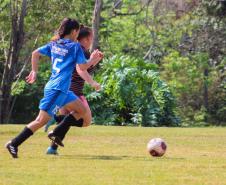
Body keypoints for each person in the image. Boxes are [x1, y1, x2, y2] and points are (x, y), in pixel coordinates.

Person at [5, 18, 103, 158]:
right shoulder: (74, 47)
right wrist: (93, 60)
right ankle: (14, 143)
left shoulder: (54, 43)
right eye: (77, 32)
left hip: (62, 90)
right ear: (74, 31)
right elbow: (82, 67)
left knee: (81, 110)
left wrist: (34, 71)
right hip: (57, 90)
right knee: (40, 121)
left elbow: (35, 53)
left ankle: (56, 132)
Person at [46, 26, 101, 155]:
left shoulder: (73, 49)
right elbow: (80, 70)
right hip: (74, 92)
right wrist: (92, 82)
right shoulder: (81, 51)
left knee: (67, 121)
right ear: (87, 39)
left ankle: (52, 149)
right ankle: (57, 120)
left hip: (63, 91)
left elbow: (83, 68)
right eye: (91, 37)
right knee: (86, 121)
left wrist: (94, 61)